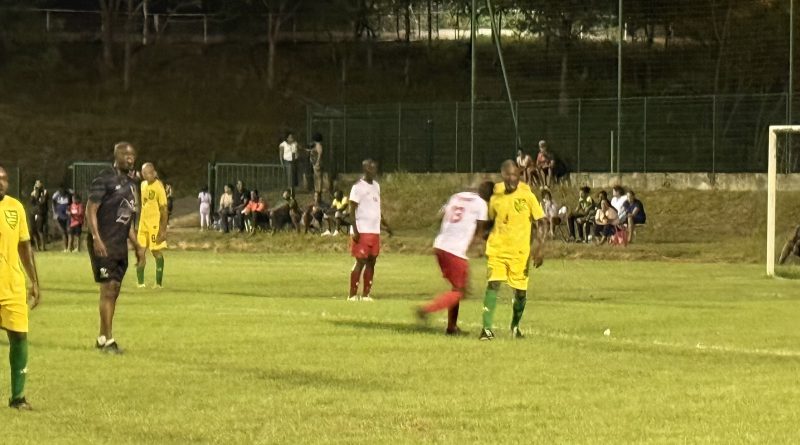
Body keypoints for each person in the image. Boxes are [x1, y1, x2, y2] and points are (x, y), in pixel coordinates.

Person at [86, 142, 145, 354]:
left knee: (114, 290)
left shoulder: (131, 183)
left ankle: (102, 337)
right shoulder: (104, 178)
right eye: (125, 154)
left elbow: (126, 217)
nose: (130, 158)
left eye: (132, 155)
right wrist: (96, 238)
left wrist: (137, 244)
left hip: (119, 243)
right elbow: (90, 210)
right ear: (116, 156)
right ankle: (109, 341)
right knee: (108, 289)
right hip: (104, 242)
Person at [480, 160, 546, 341]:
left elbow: (541, 222)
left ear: (520, 175)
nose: (512, 179)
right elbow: (489, 220)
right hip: (497, 250)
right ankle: (486, 329)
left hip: (520, 253)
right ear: (503, 174)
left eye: (515, 175)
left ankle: (515, 327)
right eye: (508, 175)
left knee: (521, 293)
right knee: (493, 284)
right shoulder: (495, 193)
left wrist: (539, 248)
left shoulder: (527, 194)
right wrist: (484, 232)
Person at [416, 181, 493, 335]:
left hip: (440, 245)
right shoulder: (481, 204)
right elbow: (480, 230)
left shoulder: (457, 196)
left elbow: (440, 214)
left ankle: (451, 327)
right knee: (461, 291)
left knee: (457, 289)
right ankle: (426, 310)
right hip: (455, 251)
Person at [0, 165, 41, 410]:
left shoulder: (15, 207)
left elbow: (25, 247)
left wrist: (34, 282)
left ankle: (18, 397)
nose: (1, 182)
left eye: (4, 179)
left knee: (19, 337)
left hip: (12, 285)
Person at [348, 159, 393, 302]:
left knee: (372, 261)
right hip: (362, 230)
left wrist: (386, 225)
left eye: (375, 168)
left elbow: (376, 209)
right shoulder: (357, 187)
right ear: (365, 169)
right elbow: (352, 209)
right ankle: (352, 295)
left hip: (374, 231)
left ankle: (366, 294)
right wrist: (355, 229)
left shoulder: (376, 186)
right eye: (371, 168)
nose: (374, 170)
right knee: (360, 261)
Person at [136, 163, 169, 289]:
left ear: (154, 173)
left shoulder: (159, 187)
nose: (146, 175)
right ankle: (140, 283)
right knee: (140, 252)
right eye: (144, 173)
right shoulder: (143, 185)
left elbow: (164, 210)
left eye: (149, 173)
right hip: (143, 224)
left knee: (156, 252)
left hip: (154, 225)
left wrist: (163, 230)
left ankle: (158, 283)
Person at [51, 184, 72, 252]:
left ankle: (69, 248)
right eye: (60, 190)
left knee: (69, 231)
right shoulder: (56, 195)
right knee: (63, 232)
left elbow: (74, 200)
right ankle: (65, 248)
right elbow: (53, 204)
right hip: (59, 215)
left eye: (63, 190)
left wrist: (70, 210)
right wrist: (54, 213)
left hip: (68, 215)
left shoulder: (69, 193)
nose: (62, 191)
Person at [29, 180, 48, 251]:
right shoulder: (33, 193)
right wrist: (34, 193)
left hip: (40, 213)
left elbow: (42, 202)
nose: (37, 185)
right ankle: (37, 247)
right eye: (36, 183)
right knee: (33, 230)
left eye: (39, 183)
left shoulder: (44, 192)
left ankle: (43, 247)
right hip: (33, 212)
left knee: (40, 229)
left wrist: (39, 193)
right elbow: (31, 202)